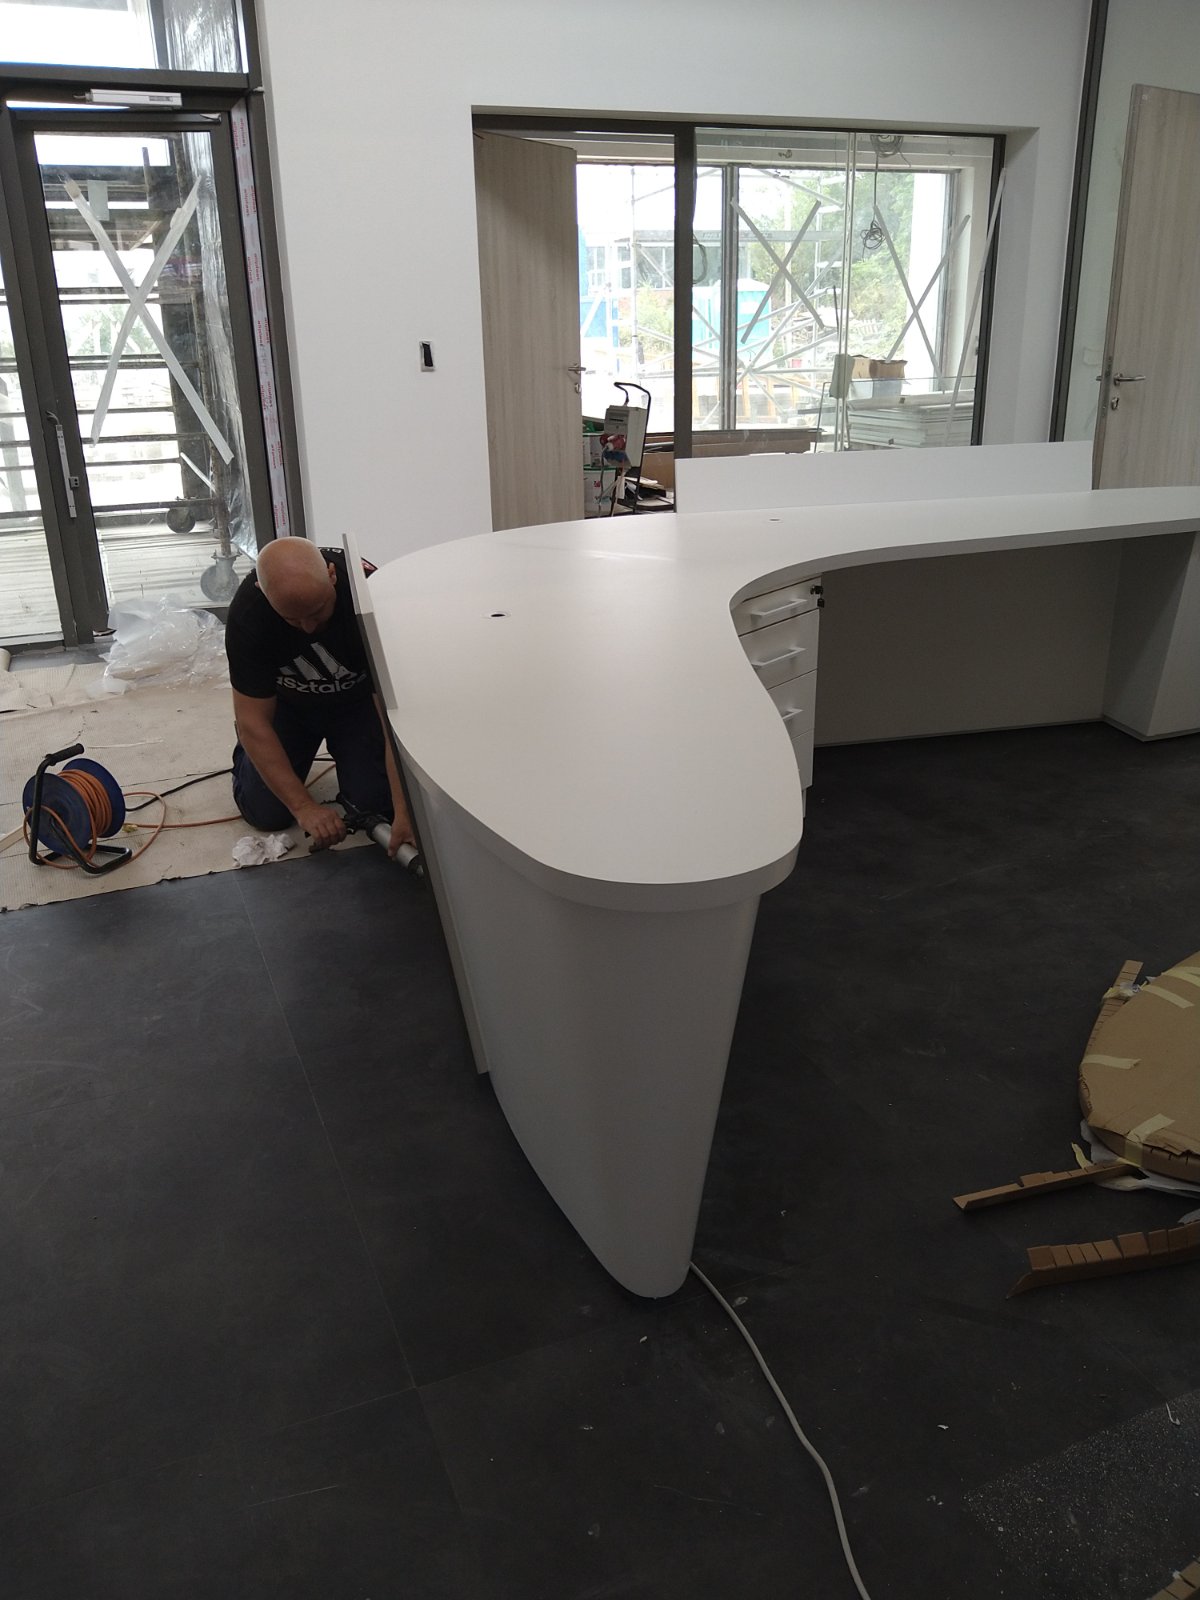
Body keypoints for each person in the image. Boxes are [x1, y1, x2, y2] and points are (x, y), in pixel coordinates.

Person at [224, 536, 415, 856]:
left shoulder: (371, 597)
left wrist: (406, 811)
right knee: (265, 813)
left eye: (317, 611)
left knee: (376, 806)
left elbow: (394, 718)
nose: (309, 627)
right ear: (263, 592)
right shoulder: (249, 613)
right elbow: (253, 721)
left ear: (332, 575)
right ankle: (250, 761)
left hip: (359, 704)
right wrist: (304, 807)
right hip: (289, 707)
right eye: (292, 619)